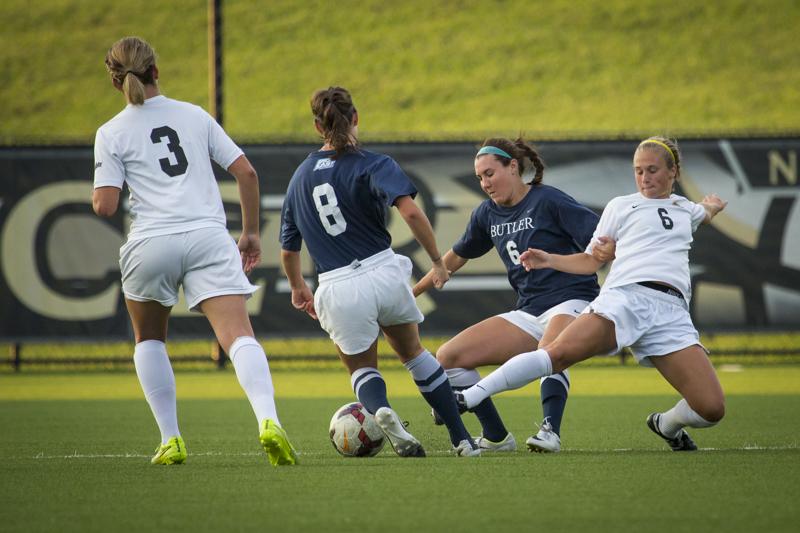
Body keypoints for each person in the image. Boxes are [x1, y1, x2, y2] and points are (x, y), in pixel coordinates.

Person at [92, 37, 297, 466]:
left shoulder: (110, 132)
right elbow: (246, 172)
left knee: (149, 339)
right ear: (156, 72)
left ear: (116, 82)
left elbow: (105, 205)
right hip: (207, 236)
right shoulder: (194, 116)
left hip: (151, 242)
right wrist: (252, 233)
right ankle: (268, 419)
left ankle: (171, 439)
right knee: (239, 337)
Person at [456, 136, 727, 451]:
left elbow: (703, 212)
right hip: (624, 299)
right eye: (638, 171)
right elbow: (591, 261)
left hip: (672, 312)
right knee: (555, 354)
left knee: (711, 409)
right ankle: (471, 395)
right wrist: (549, 259)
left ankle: (666, 424)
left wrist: (712, 206)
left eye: (652, 170)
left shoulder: (685, 209)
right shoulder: (621, 206)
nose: (644, 178)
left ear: (674, 172)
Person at [280, 86, 480, 457]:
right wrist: (437, 261)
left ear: (316, 127)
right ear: (355, 118)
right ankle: (462, 439)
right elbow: (411, 213)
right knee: (416, 354)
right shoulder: (374, 163)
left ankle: (381, 409)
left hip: (337, 285)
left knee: (361, 369)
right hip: (382, 271)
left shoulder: (299, 179)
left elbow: (289, 249)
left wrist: (297, 288)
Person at [414, 137, 613, 453]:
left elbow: (602, 237)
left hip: (573, 300)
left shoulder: (549, 200)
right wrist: (415, 291)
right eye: (480, 178)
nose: (485, 183)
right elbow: (455, 257)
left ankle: (550, 431)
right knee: (449, 357)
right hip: (529, 310)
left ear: (513, 166)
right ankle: (496, 436)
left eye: (490, 173)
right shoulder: (486, 214)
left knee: (551, 350)